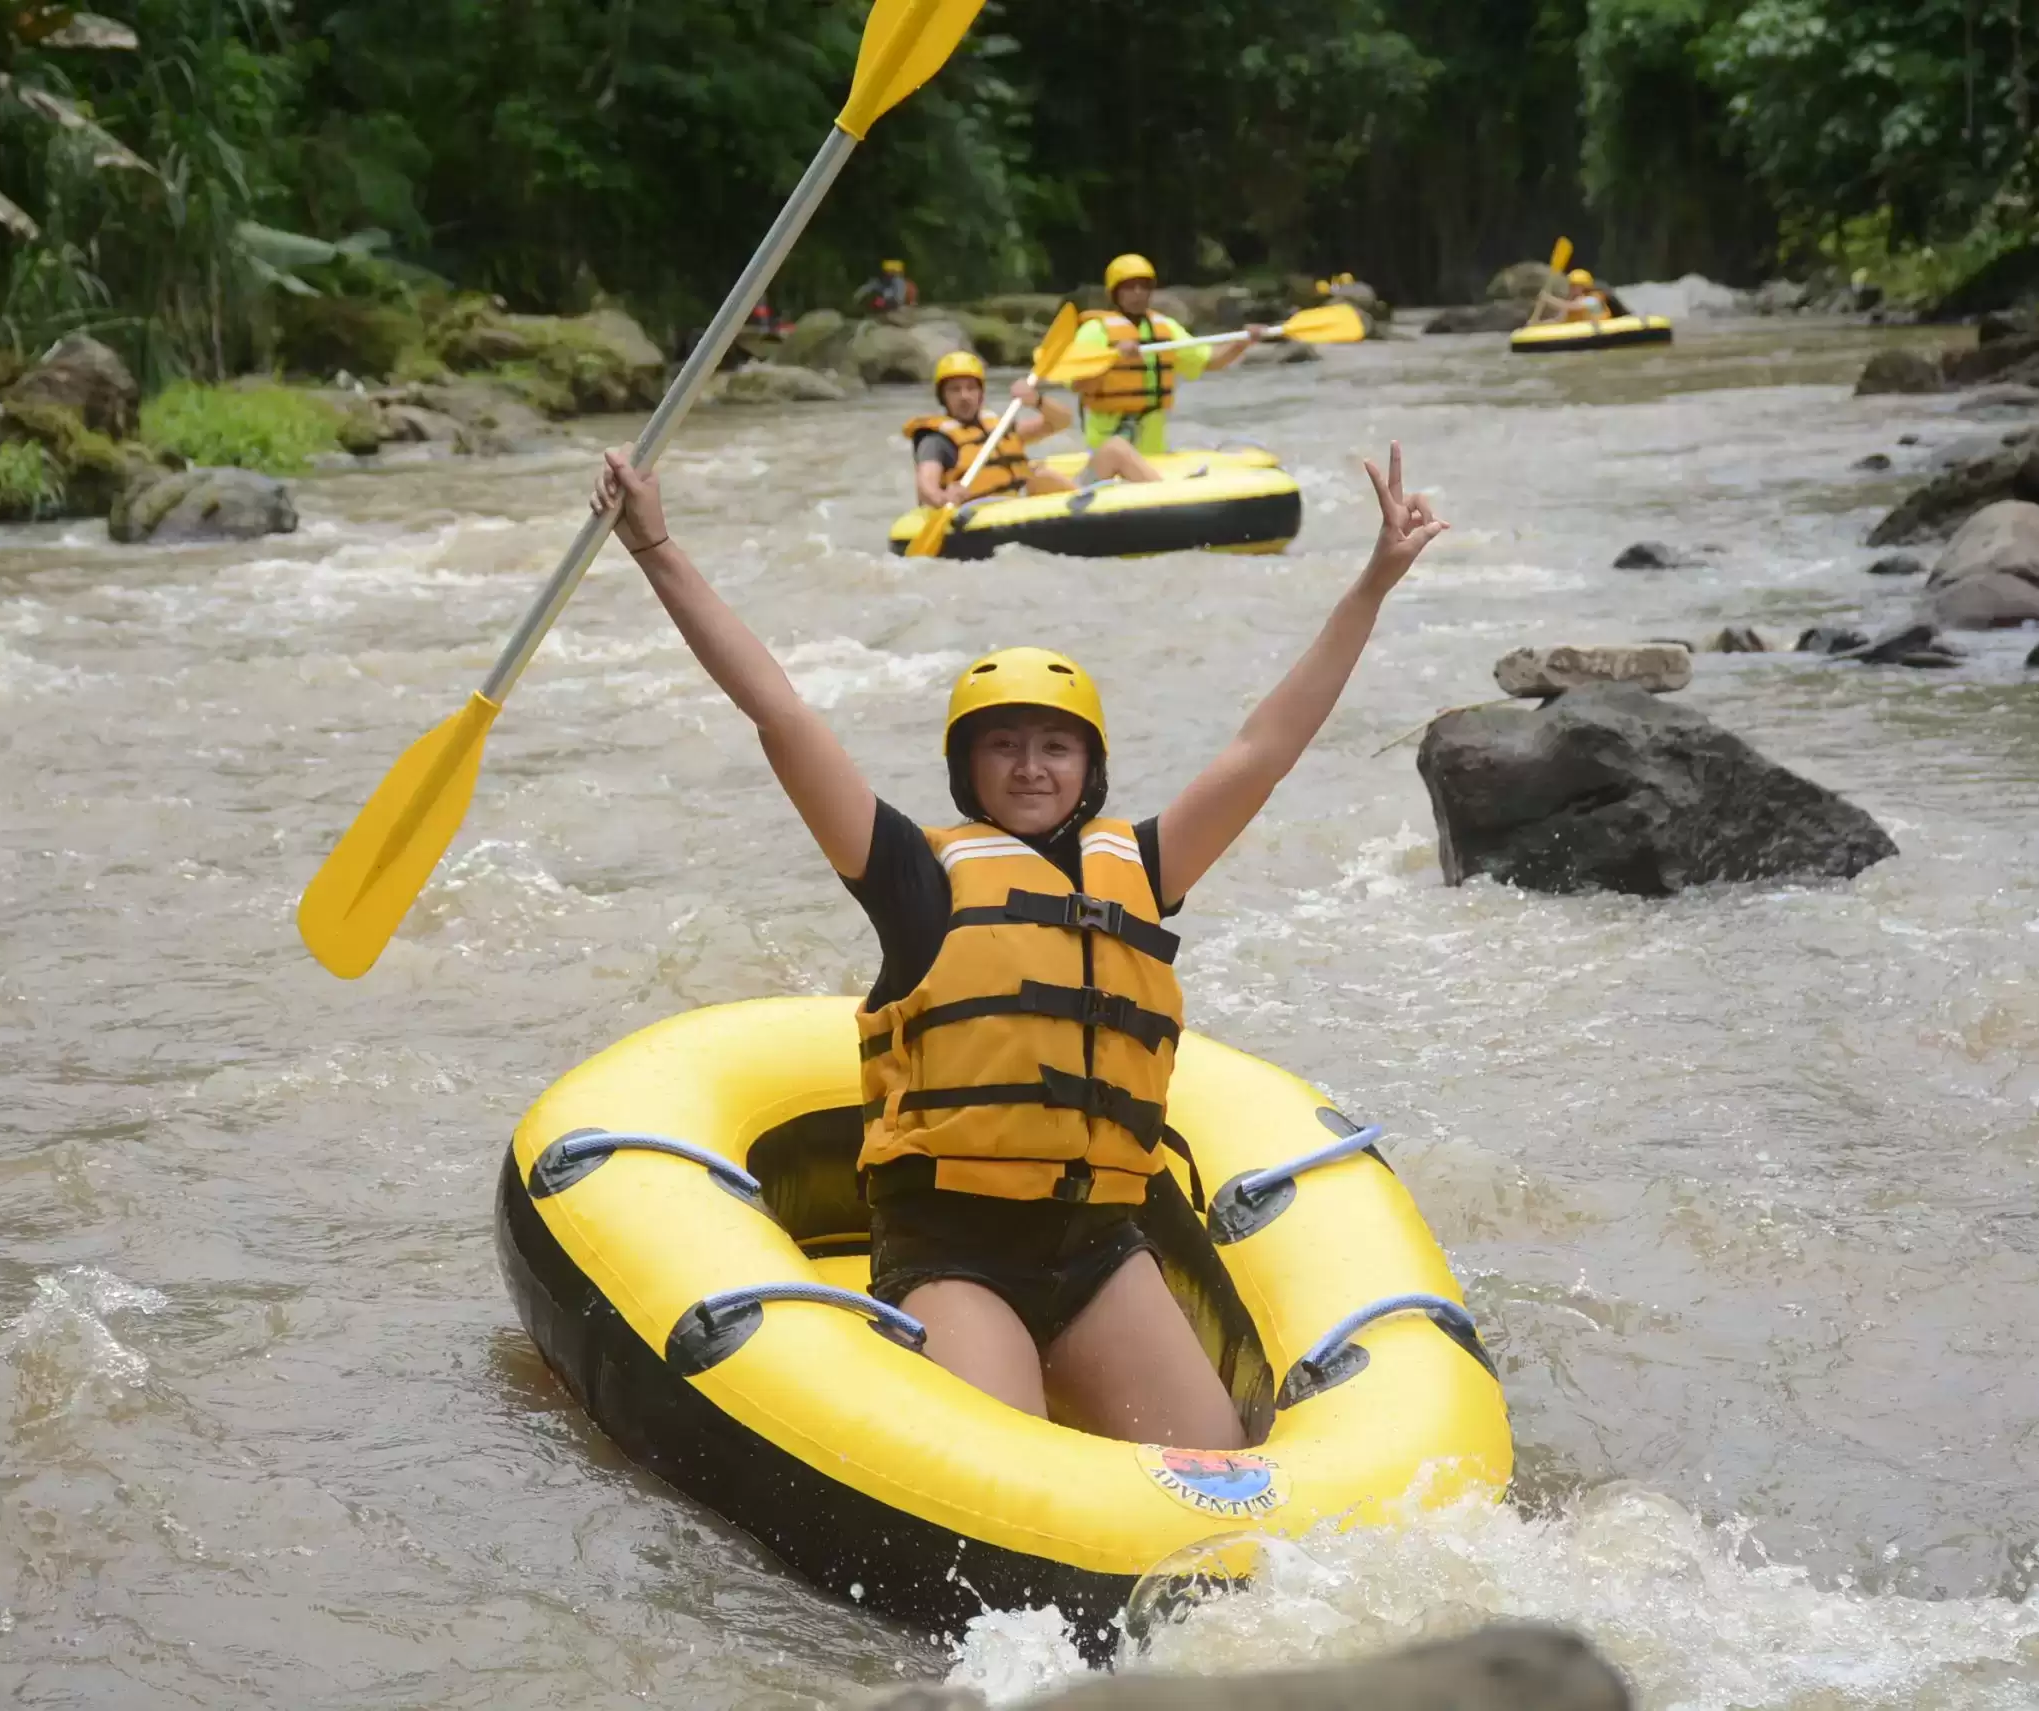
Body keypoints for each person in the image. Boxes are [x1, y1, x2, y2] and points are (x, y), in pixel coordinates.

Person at [587, 439, 1449, 1448]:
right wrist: (653, 544)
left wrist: (1372, 583)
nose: (1031, 767)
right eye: (1004, 744)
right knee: (1007, 1466)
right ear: (968, 767)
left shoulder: (1144, 867)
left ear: (1088, 768)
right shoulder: (914, 878)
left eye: (1055, 746)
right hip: (951, 1247)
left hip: (1096, 1247)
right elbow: (778, 711)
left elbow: (1265, 748)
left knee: (1220, 1471)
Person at [1066, 254, 1266, 472]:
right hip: (1109, 451)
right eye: (1129, 287)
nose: (1138, 294)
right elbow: (1078, 385)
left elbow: (1210, 361)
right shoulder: (1095, 331)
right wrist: (1112, 359)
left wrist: (1242, 343)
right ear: (1114, 293)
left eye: (1144, 287)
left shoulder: (1166, 328)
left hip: (1154, 453)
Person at [908, 352, 1149, 508]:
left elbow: (1061, 422)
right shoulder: (936, 440)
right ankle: (1102, 511)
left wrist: (1036, 401)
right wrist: (943, 498)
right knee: (1040, 477)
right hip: (1003, 511)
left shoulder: (999, 426)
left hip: (1045, 503)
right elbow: (926, 484)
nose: (965, 396)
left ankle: (1176, 501)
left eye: (971, 388)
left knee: (1114, 448)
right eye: (955, 390)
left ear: (981, 392)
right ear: (943, 396)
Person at [1530, 267, 1614, 326]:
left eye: (1575, 285)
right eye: (1571, 285)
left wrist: (1548, 298)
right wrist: (1538, 323)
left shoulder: (1592, 300)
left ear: (1584, 286)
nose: (1571, 288)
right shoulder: (1572, 300)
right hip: (1579, 332)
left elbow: (1570, 306)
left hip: (1600, 330)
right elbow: (1559, 321)